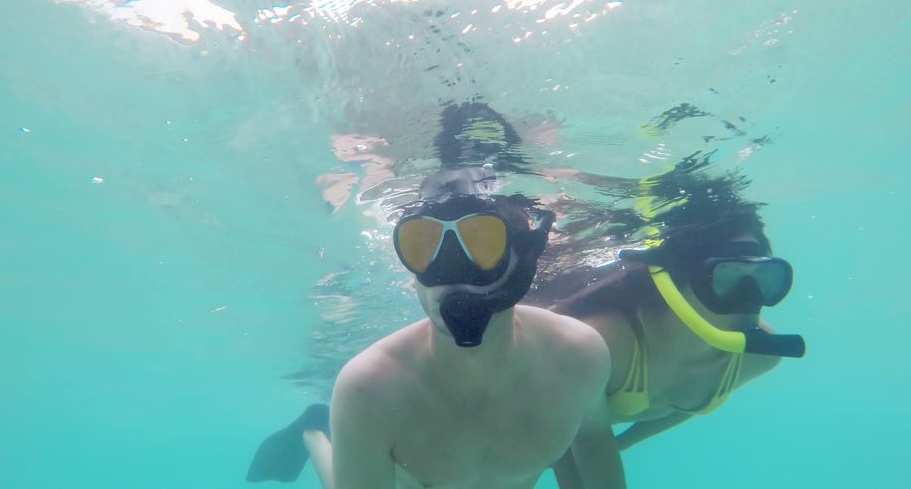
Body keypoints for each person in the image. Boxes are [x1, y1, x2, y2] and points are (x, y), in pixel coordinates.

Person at [248, 116, 625, 487]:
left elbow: (590, 445)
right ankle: (315, 429)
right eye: (423, 244)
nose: (449, 270)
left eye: (481, 242)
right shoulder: (369, 391)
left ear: (522, 262)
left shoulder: (578, 356)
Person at [531, 163, 806, 488]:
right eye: (728, 279)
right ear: (680, 282)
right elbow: (580, 439)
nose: (749, 299)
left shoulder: (758, 357)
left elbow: (687, 405)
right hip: (535, 412)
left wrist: (628, 442)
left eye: (765, 279)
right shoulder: (608, 341)